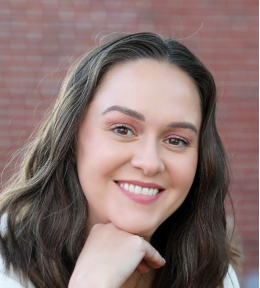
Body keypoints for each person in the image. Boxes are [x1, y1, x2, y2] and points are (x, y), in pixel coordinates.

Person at [0, 32, 240, 288]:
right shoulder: (7, 271)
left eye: (176, 140)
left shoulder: (215, 275)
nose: (150, 163)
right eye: (123, 130)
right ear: (70, 136)